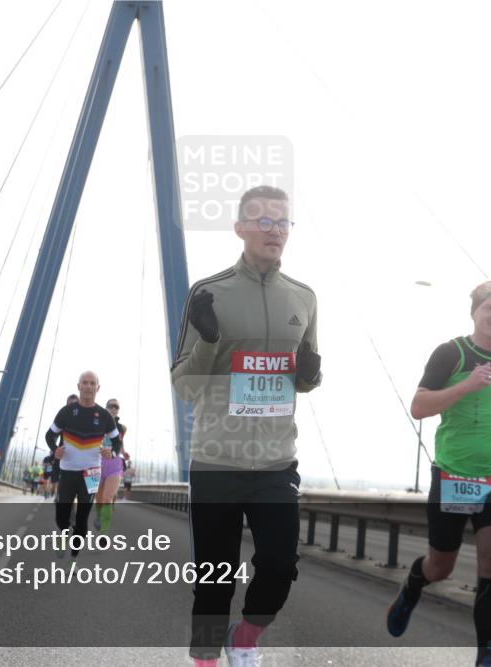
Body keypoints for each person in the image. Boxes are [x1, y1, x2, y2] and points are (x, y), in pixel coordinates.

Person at [171, 185, 322, 667]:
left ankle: (247, 636)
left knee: (280, 566)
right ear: (239, 228)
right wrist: (210, 340)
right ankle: (206, 660)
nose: (275, 230)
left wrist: (310, 375)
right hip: (216, 459)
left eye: (283, 222)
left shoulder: (304, 297)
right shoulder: (207, 293)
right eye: (263, 221)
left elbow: (305, 378)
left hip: (276, 461)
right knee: (214, 579)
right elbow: (185, 386)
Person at [385, 281, 491, 667]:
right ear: (474, 312)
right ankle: (414, 585)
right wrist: (468, 385)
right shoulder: (451, 353)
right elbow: (419, 406)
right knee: (442, 566)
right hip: (455, 475)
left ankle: (485, 657)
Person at [46, 371, 122, 559]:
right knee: (61, 516)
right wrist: (55, 448)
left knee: (82, 518)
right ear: (78, 386)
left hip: (92, 473)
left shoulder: (104, 416)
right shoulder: (66, 412)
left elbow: (117, 442)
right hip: (68, 471)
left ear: (98, 387)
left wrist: (111, 452)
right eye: (85, 383)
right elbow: (50, 435)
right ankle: (64, 533)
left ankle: (74, 557)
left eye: (92, 383)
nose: (88, 386)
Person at [93, 398, 127, 533]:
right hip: (97, 464)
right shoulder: (97, 424)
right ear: (106, 408)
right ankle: (99, 516)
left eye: (116, 407)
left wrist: (124, 453)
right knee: (99, 498)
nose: (114, 409)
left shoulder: (122, 428)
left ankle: (103, 533)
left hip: (114, 464)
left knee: (107, 497)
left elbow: (120, 444)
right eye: (111, 406)